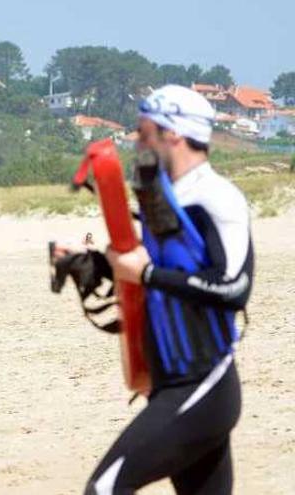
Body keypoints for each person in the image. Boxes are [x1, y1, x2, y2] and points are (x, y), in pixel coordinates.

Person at [77, 86, 252, 494]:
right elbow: (167, 272)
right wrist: (95, 264)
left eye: (143, 132)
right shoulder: (165, 198)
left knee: (104, 488)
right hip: (169, 382)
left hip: (202, 385)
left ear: (173, 134)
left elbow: (234, 288)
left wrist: (149, 274)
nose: (137, 142)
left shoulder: (217, 198)